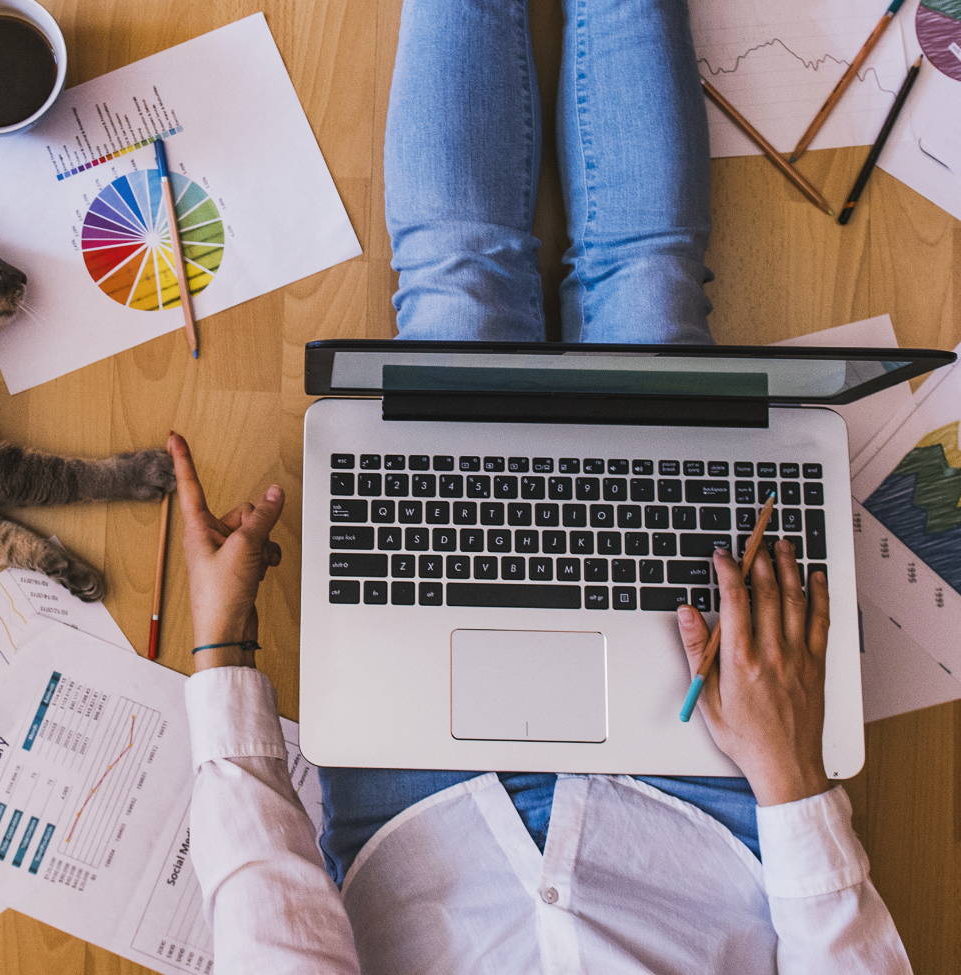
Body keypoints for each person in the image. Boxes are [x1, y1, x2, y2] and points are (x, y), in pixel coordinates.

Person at [175, 0, 912, 970]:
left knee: (454, 294)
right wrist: (792, 777)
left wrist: (224, 649)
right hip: (705, 798)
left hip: (425, 806)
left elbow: (269, 923)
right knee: (648, 291)